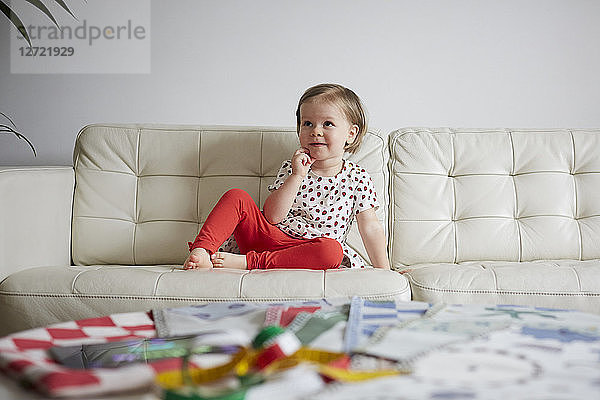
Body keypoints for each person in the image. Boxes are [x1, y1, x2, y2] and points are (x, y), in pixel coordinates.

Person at [183, 83, 390, 270]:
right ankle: (202, 252)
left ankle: (250, 262)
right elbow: (272, 217)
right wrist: (297, 175)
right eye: (308, 123)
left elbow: (369, 226)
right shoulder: (292, 168)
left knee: (332, 251)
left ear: (351, 134)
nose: (315, 131)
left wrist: (386, 271)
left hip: (307, 251)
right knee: (236, 196)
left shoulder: (358, 177)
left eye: (327, 124)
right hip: (269, 237)